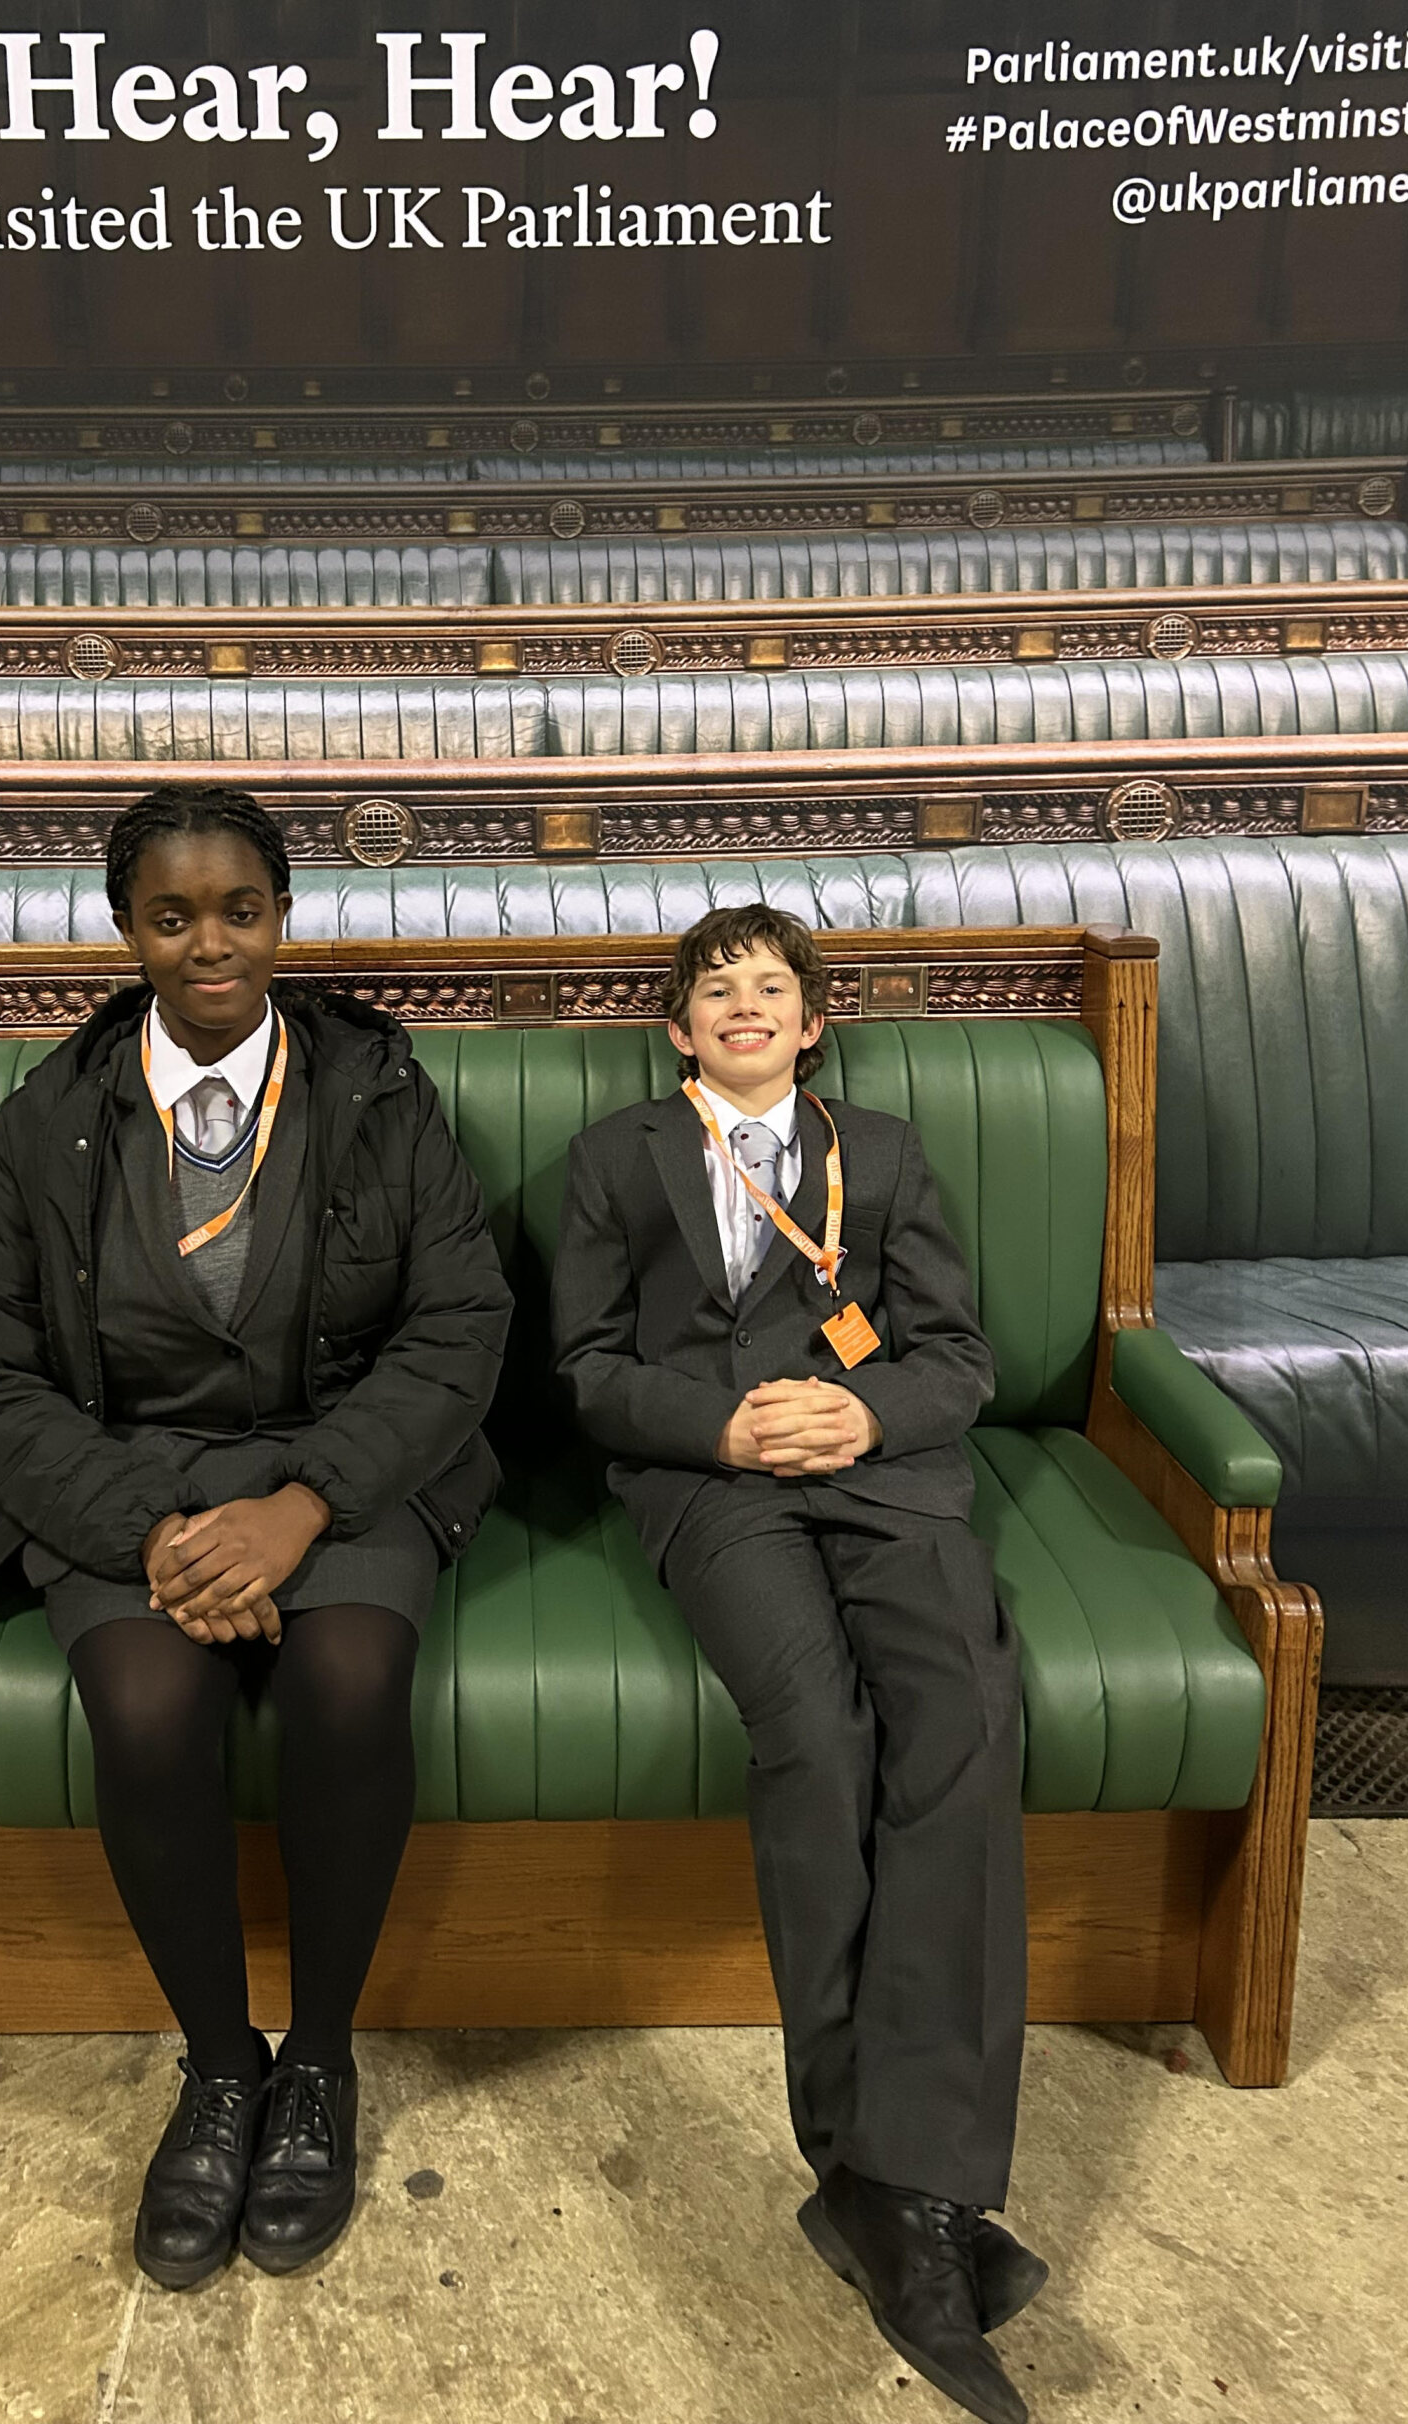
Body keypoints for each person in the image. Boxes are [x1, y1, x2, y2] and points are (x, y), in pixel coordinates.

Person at [0, 784, 511, 2291]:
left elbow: (457, 1327)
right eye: (171, 917)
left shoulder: (379, 1092)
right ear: (128, 930)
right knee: (143, 1705)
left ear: (283, 916)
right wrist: (158, 1533)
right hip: (124, 1476)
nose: (210, 944)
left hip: (337, 1467)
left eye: (239, 910)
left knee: (352, 1682)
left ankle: (318, 2062)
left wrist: (304, 1507)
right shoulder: (48, 1116)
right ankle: (219, 2065)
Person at [550, 904, 1039, 2424]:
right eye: (716, 989)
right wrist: (719, 1427)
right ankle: (880, 2178)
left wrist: (868, 1413)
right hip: (716, 1487)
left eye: (772, 986)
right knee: (818, 1739)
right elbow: (585, 1369)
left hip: (884, 1477)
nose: (744, 1003)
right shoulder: (612, 1159)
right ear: (679, 1032)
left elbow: (958, 1357)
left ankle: (901, 2184)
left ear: (814, 1025)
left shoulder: (878, 1154)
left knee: (964, 1719)